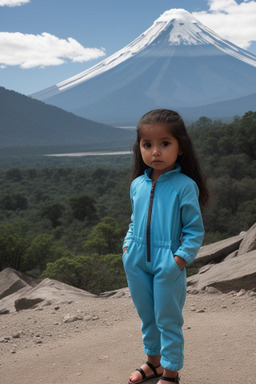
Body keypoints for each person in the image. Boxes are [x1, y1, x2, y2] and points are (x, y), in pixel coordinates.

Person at [122, 109, 209, 384]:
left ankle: (171, 372)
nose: (155, 151)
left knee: (168, 319)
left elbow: (194, 230)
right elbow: (135, 220)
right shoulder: (137, 184)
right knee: (147, 316)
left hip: (167, 260)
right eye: (148, 145)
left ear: (180, 146)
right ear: (139, 148)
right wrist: (127, 247)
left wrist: (179, 260)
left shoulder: (185, 186)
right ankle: (153, 363)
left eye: (165, 143)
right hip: (136, 260)